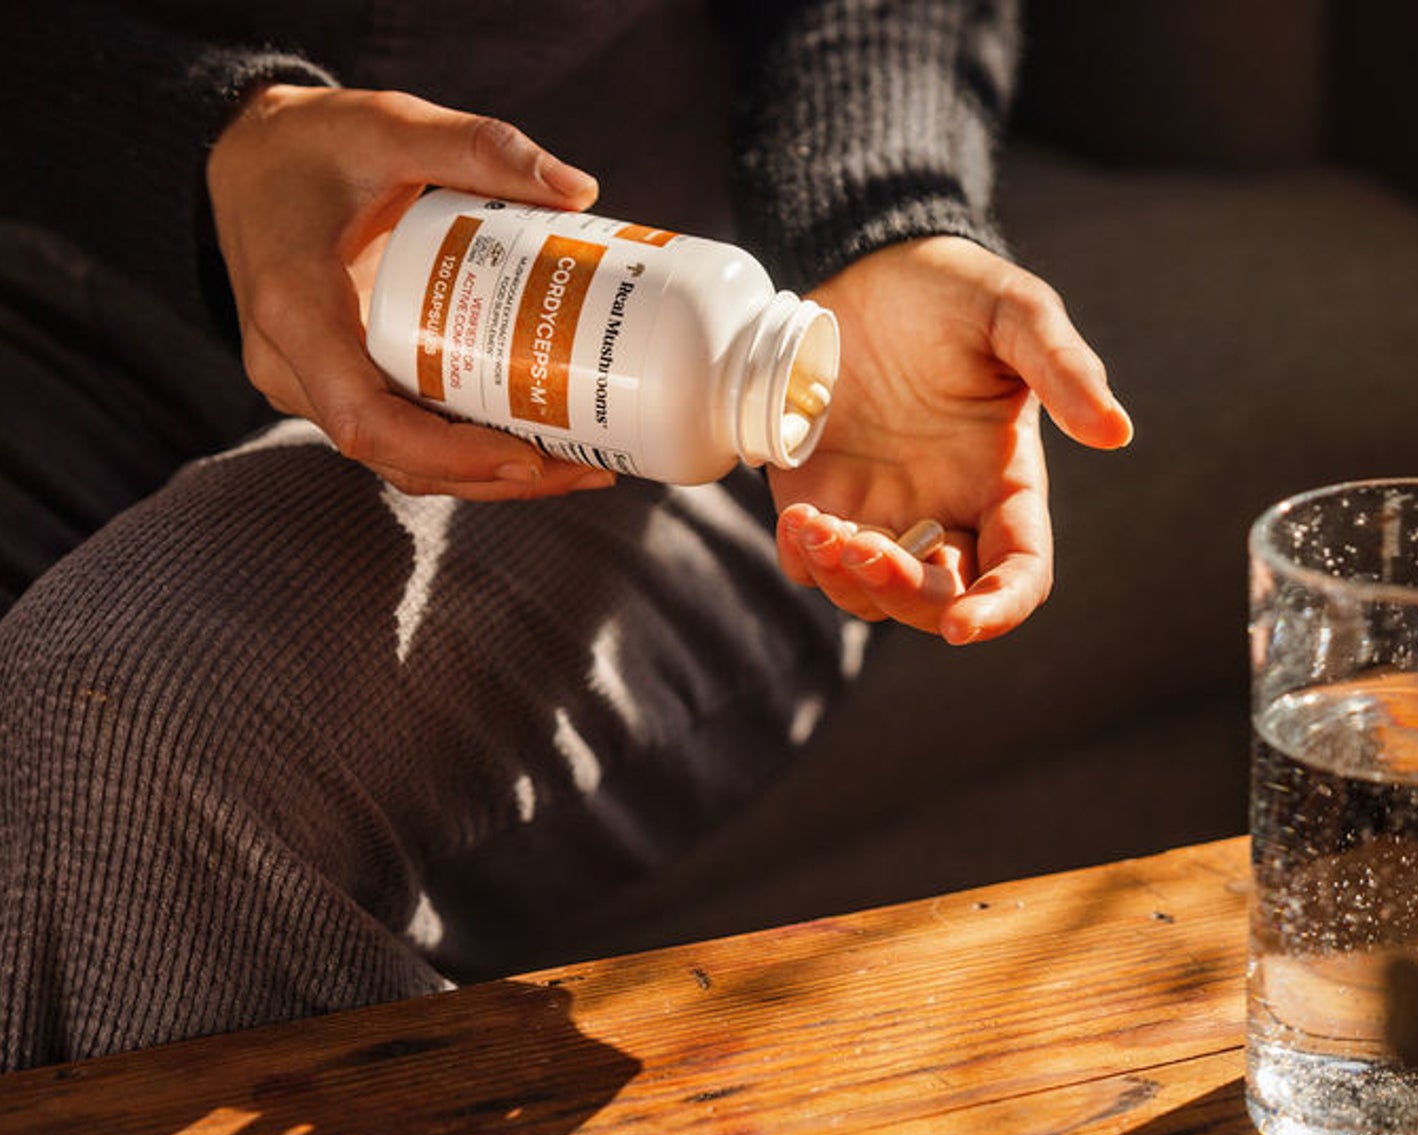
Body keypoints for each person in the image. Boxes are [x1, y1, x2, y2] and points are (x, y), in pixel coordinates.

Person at [0, 0, 1131, 1069]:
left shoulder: (722, 384)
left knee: (135, 718)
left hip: (653, 375)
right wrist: (202, 133)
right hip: (68, 275)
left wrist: (875, 216)